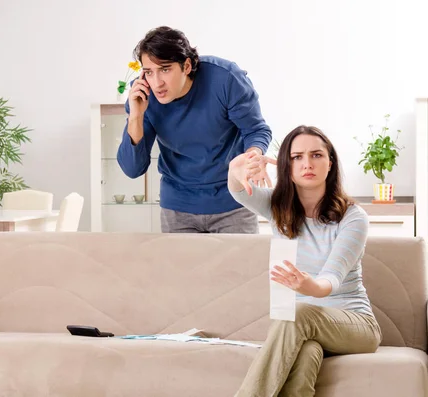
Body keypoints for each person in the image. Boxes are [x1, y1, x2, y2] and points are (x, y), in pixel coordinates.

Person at [227, 125, 382, 396]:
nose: (306, 163)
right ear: (286, 166)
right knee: (305, 353)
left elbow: (331, 279)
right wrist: (235, 168)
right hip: (301, 329)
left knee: (298, 314)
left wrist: (310, 287)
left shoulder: (353, 217)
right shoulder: (278, 207)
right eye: (297, 157)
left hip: (355, 325)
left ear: (330, 162)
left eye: (316, 155)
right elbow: (239, 190)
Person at [117, 26, 273, 233]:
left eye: (165, 69)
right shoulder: (143, 95)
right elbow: (132, 169)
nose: (157, 83)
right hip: (178, 208)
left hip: (233, 202)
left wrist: (252, 157)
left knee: (240, 267)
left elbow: (255, 129)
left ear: (187, 65)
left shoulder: (225, 79)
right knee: (182, 267)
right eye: (148, 72)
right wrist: (136, 116)